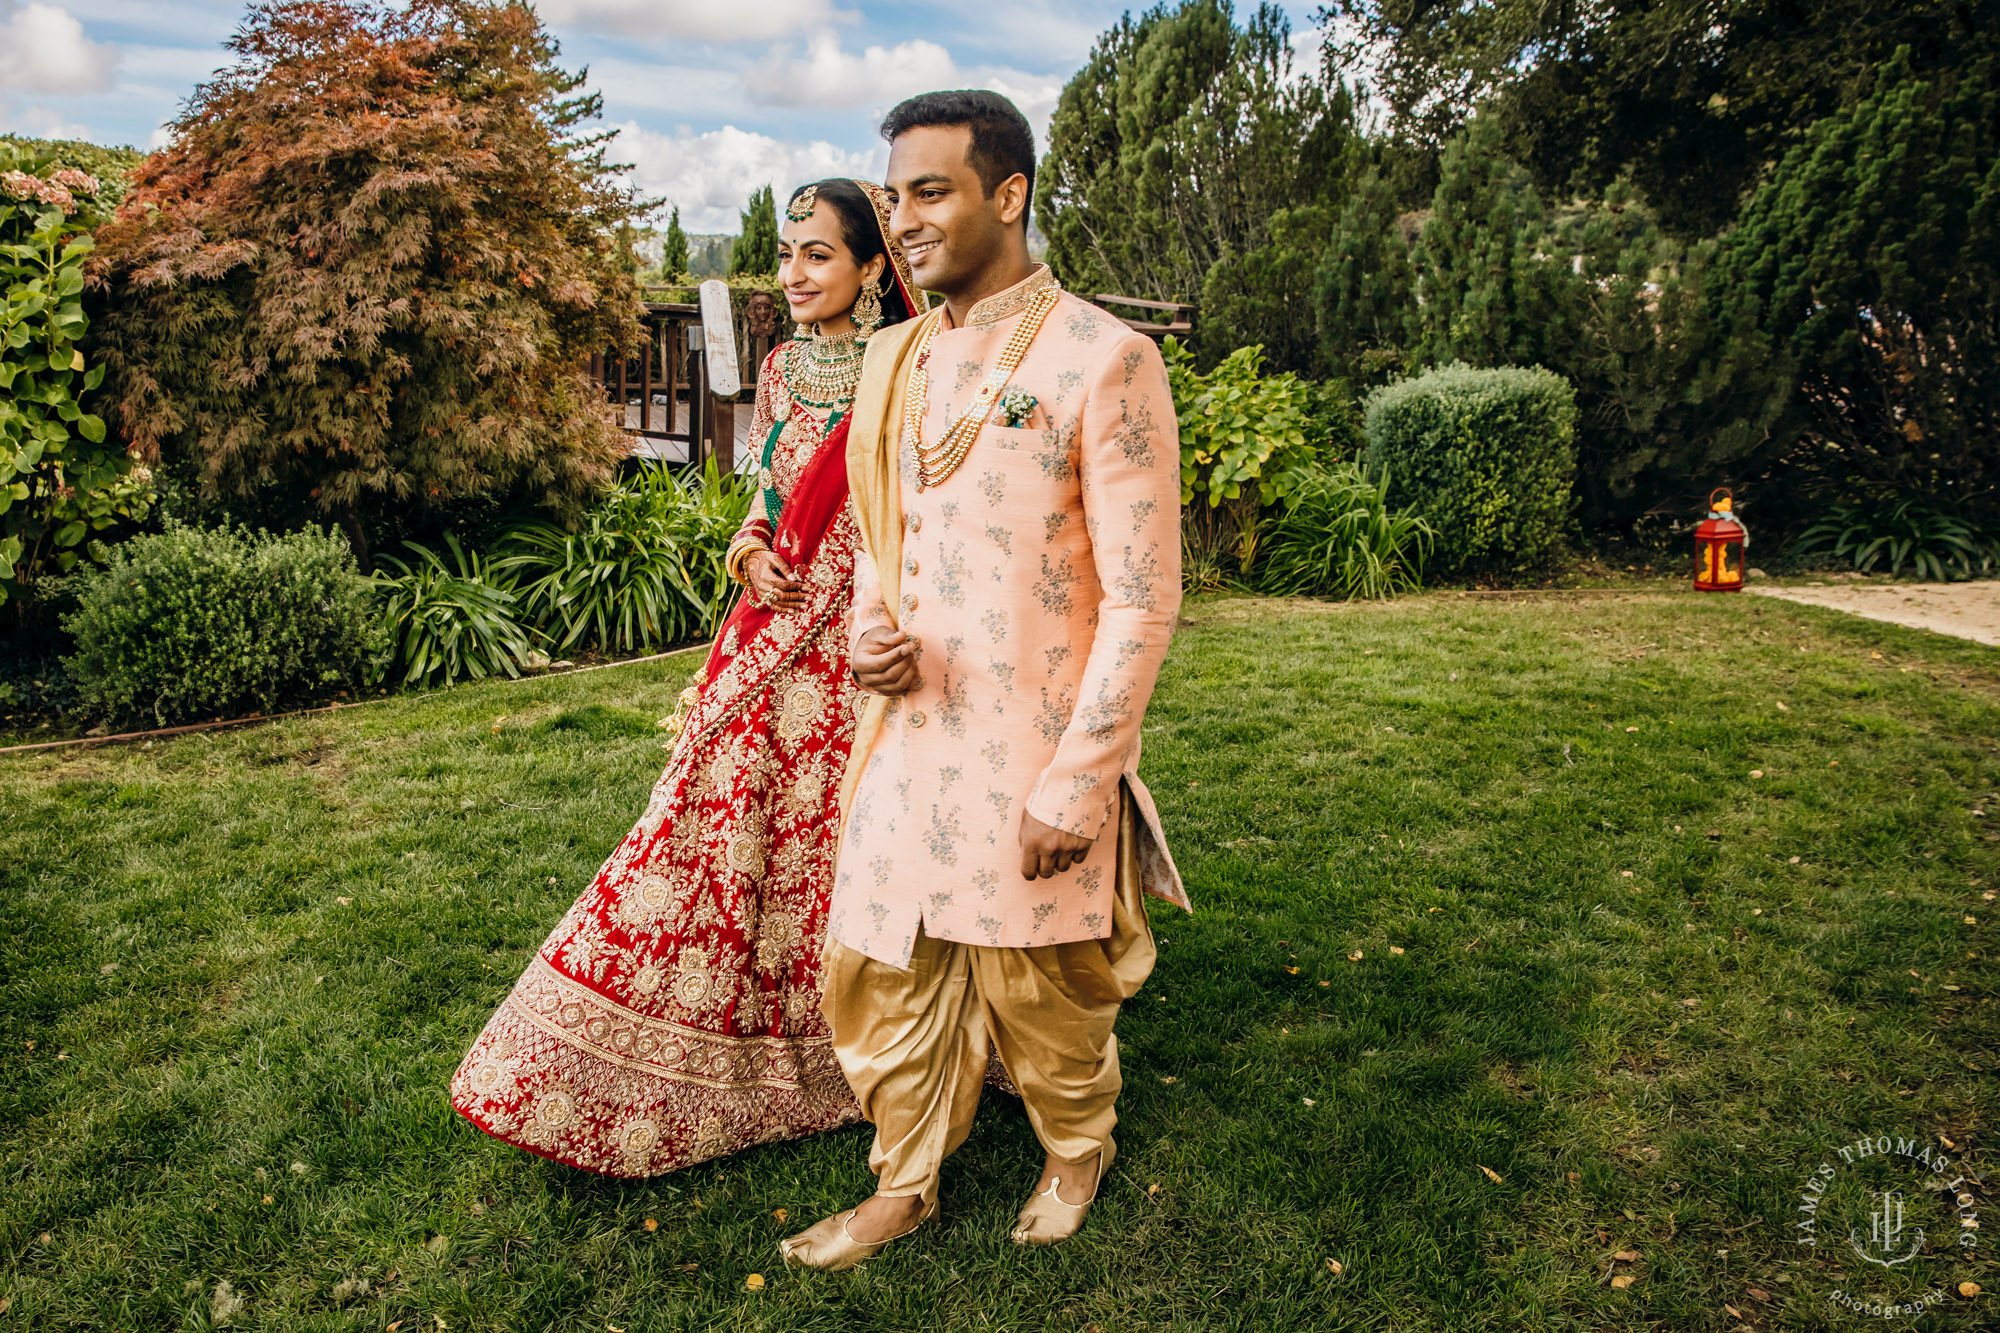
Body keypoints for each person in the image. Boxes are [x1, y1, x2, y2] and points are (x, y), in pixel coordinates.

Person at [779, 91, 1189, 1270]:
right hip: (908, 736)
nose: (899, 219)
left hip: (1033, 745)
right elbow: (878, 533)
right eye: (893, 193)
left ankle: (1075, 1146)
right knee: (875, 963)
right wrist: (868, 639)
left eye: (929, 191)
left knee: (1044, 984)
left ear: (1006, 195)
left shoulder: (1103, 356)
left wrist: (1081, 780)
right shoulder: (896, 355)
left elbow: (1144, 594)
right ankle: (902, 1181)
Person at [449, 180, 922, 1176]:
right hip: (766, 642)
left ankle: (874, 1044)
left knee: (846, 849)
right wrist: (750, 550)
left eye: (817, 255)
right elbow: (766, 489)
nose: (791, 273)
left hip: (859, 655)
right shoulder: (787, 368)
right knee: (717, 830)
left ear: (873, 268)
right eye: (786, 253)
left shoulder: (909, 367)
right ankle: (711, 1041)